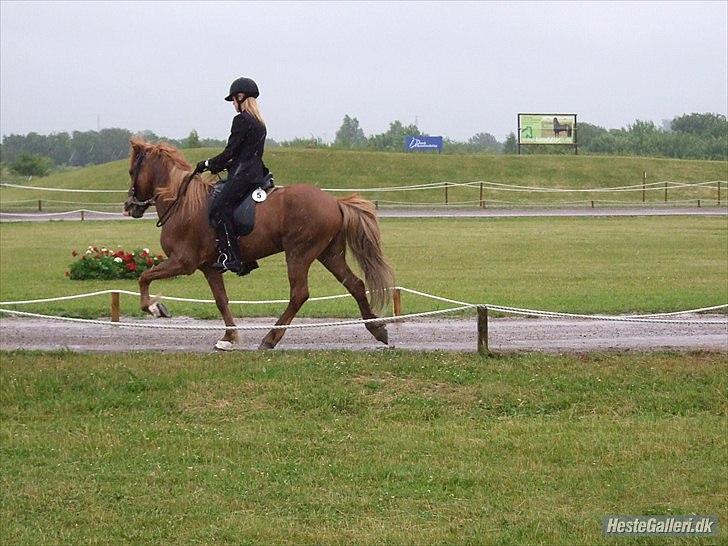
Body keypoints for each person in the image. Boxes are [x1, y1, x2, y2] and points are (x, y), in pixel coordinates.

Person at [194, 76, 270, 275]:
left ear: (240, 97)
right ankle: (246, 258)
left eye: (233, 100)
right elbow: (242, 153)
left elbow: (230, 152)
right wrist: (222, 166)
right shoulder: (259, 123)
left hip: (243, 176)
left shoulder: (241, 120)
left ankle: (231, 258)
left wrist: (207, 164)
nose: (233, 105)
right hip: (255, 175)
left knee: (219, 209)